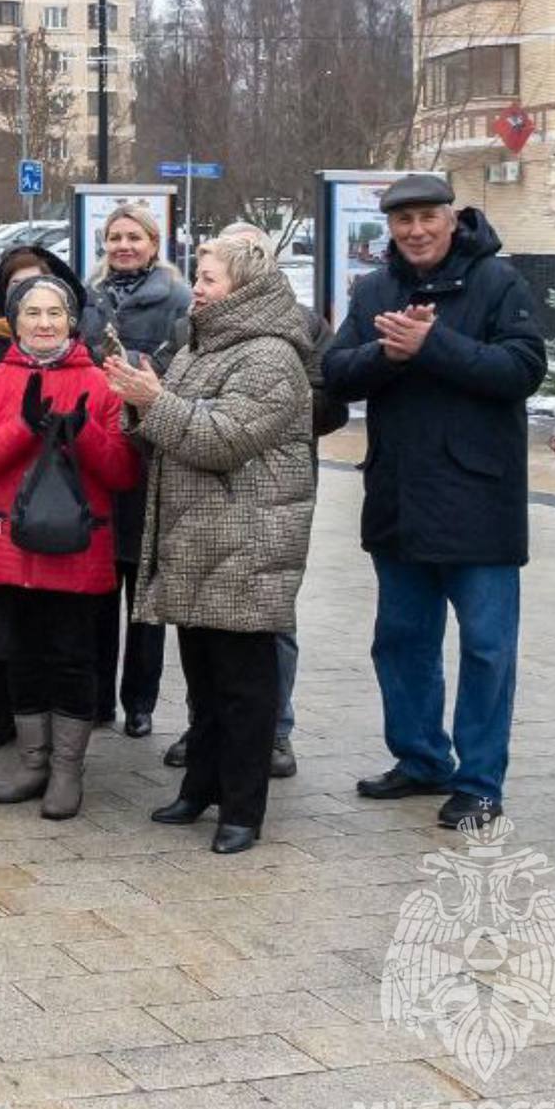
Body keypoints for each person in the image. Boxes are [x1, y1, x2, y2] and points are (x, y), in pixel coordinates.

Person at [324, 173, 546, 829]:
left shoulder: (498, 282)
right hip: (398, 498)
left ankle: (479, 782)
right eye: (402, 220)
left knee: (485, 647)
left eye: (427, 217)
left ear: (453, 218)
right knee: (400, 641)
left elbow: (522, 370)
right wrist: (389, 355)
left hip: (479, 500)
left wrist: (432, 344)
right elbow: (336, 373)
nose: (415, 230)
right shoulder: (374, 288)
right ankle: (421, 758)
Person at [110, 231, 315, 856]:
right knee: (203, 678)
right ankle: (200, 788)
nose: (196, 289)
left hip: (247, 541)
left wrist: (155, 400)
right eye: (197, 277)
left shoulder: (270, 355)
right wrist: (142, 401)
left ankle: (243, 810)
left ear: (244, 286)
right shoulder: (206, 340)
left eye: (208, 279)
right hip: (201, 538)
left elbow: (225, 438)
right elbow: (174, 427)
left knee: (244, 687)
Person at [0, 272, 139, 819]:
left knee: (73, 661)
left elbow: (124, 473)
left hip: (75, 547)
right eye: (32, 313)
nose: (44, 324)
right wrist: (23, 429)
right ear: (14, 321)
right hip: (6, 546)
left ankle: (66, 770)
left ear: (72, 321)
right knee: (20, 659)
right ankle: (33, 762)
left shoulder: (102, 383)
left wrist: (83, 432)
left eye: (55, 313)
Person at [87, 204, 191, 739]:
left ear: (154, 242)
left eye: (134, 237)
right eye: (114, 237)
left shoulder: (178, 297)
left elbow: (187, 366)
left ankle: (140, 700)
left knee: (144, 593)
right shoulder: (91, 295)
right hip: (102, 454)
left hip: (152, 456)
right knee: (100, 587)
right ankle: (100, 695)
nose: (123, 245)